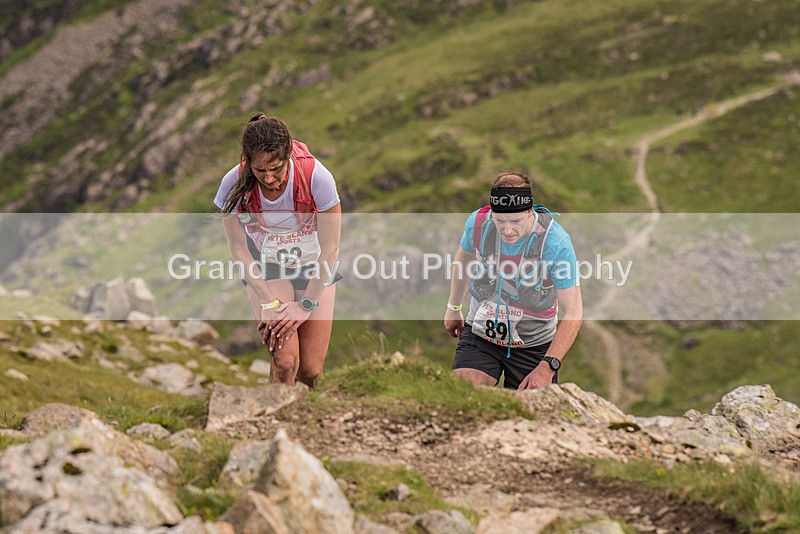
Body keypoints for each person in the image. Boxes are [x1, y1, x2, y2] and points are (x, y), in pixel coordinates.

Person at [215, 114, 341, 387]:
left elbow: (330, 249)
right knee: (285, 363)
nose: (270, 178)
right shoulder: (232, 184)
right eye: (260, 171)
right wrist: (268, 304)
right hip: (267, 268)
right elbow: (239, 249)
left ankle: (304, 424)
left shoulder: (316, 176)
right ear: (248, 163)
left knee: (310, 372)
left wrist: (306, 304)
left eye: (276, 168)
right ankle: (272, 424)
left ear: (288, 157)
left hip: (315, 266)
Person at [443, 171, 582, 390]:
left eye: (516, 221)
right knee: (463, 394)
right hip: (481, 334)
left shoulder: (555, 242)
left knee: (532, 416)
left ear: (530, 211)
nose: (508, 230)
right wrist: (454, 307)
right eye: (500, 221)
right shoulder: (479, 222)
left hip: (534, 345)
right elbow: (463, 258)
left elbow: (574, 312)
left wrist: (548, 366)